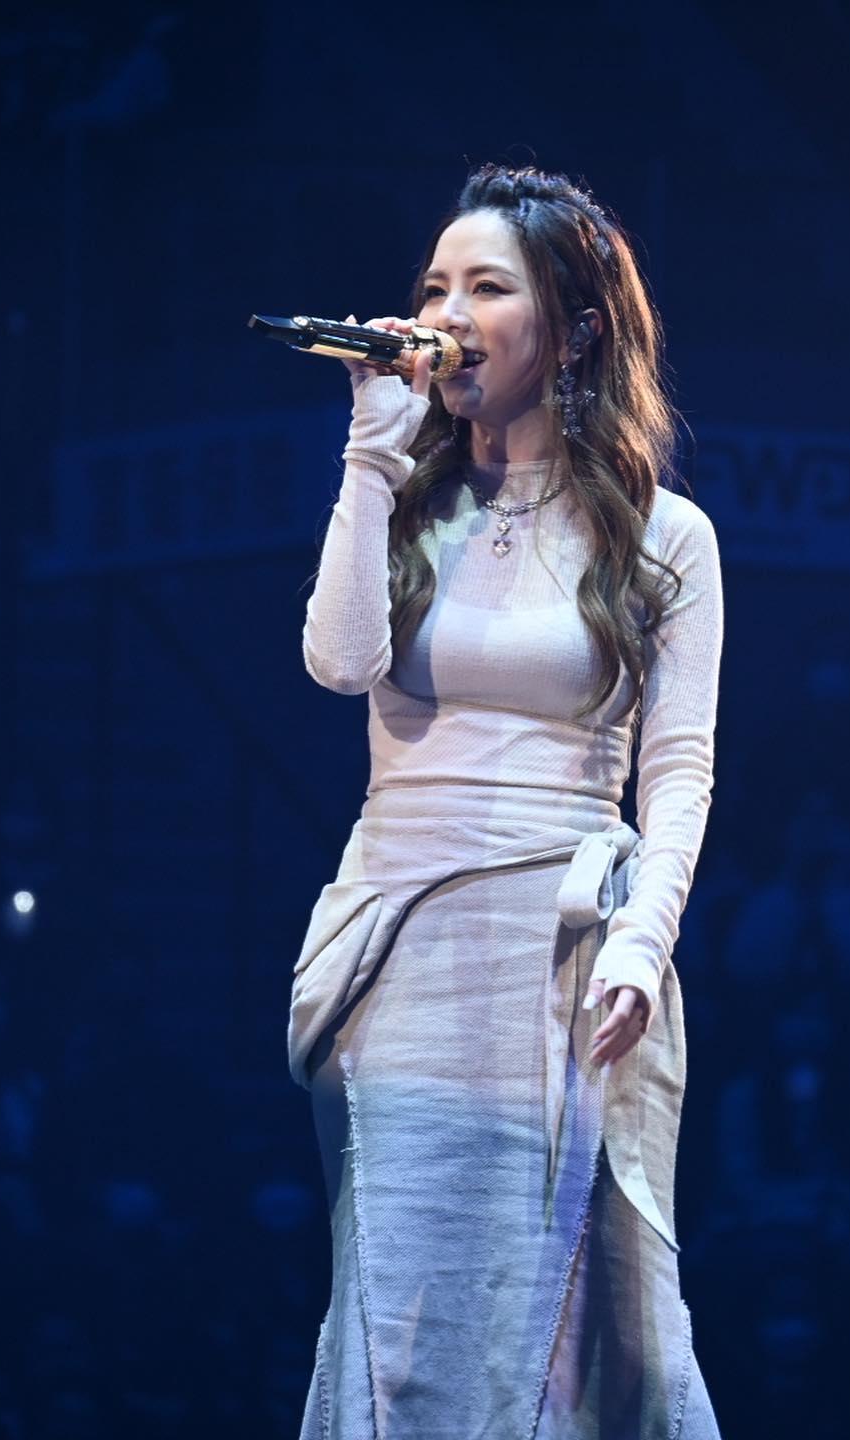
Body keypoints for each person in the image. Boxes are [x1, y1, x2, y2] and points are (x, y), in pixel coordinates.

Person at [289, 163, 725, 1438]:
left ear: (573, 330)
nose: (448, 314)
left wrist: (642, 943)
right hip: (401, 956)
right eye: (435, 287)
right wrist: (371, 451)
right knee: (402, 1307)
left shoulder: (666, 538)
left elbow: (680, 770)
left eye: (487, 287)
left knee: (567, 1320)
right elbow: (340, 664)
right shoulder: (399, 497)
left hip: (561, 963)